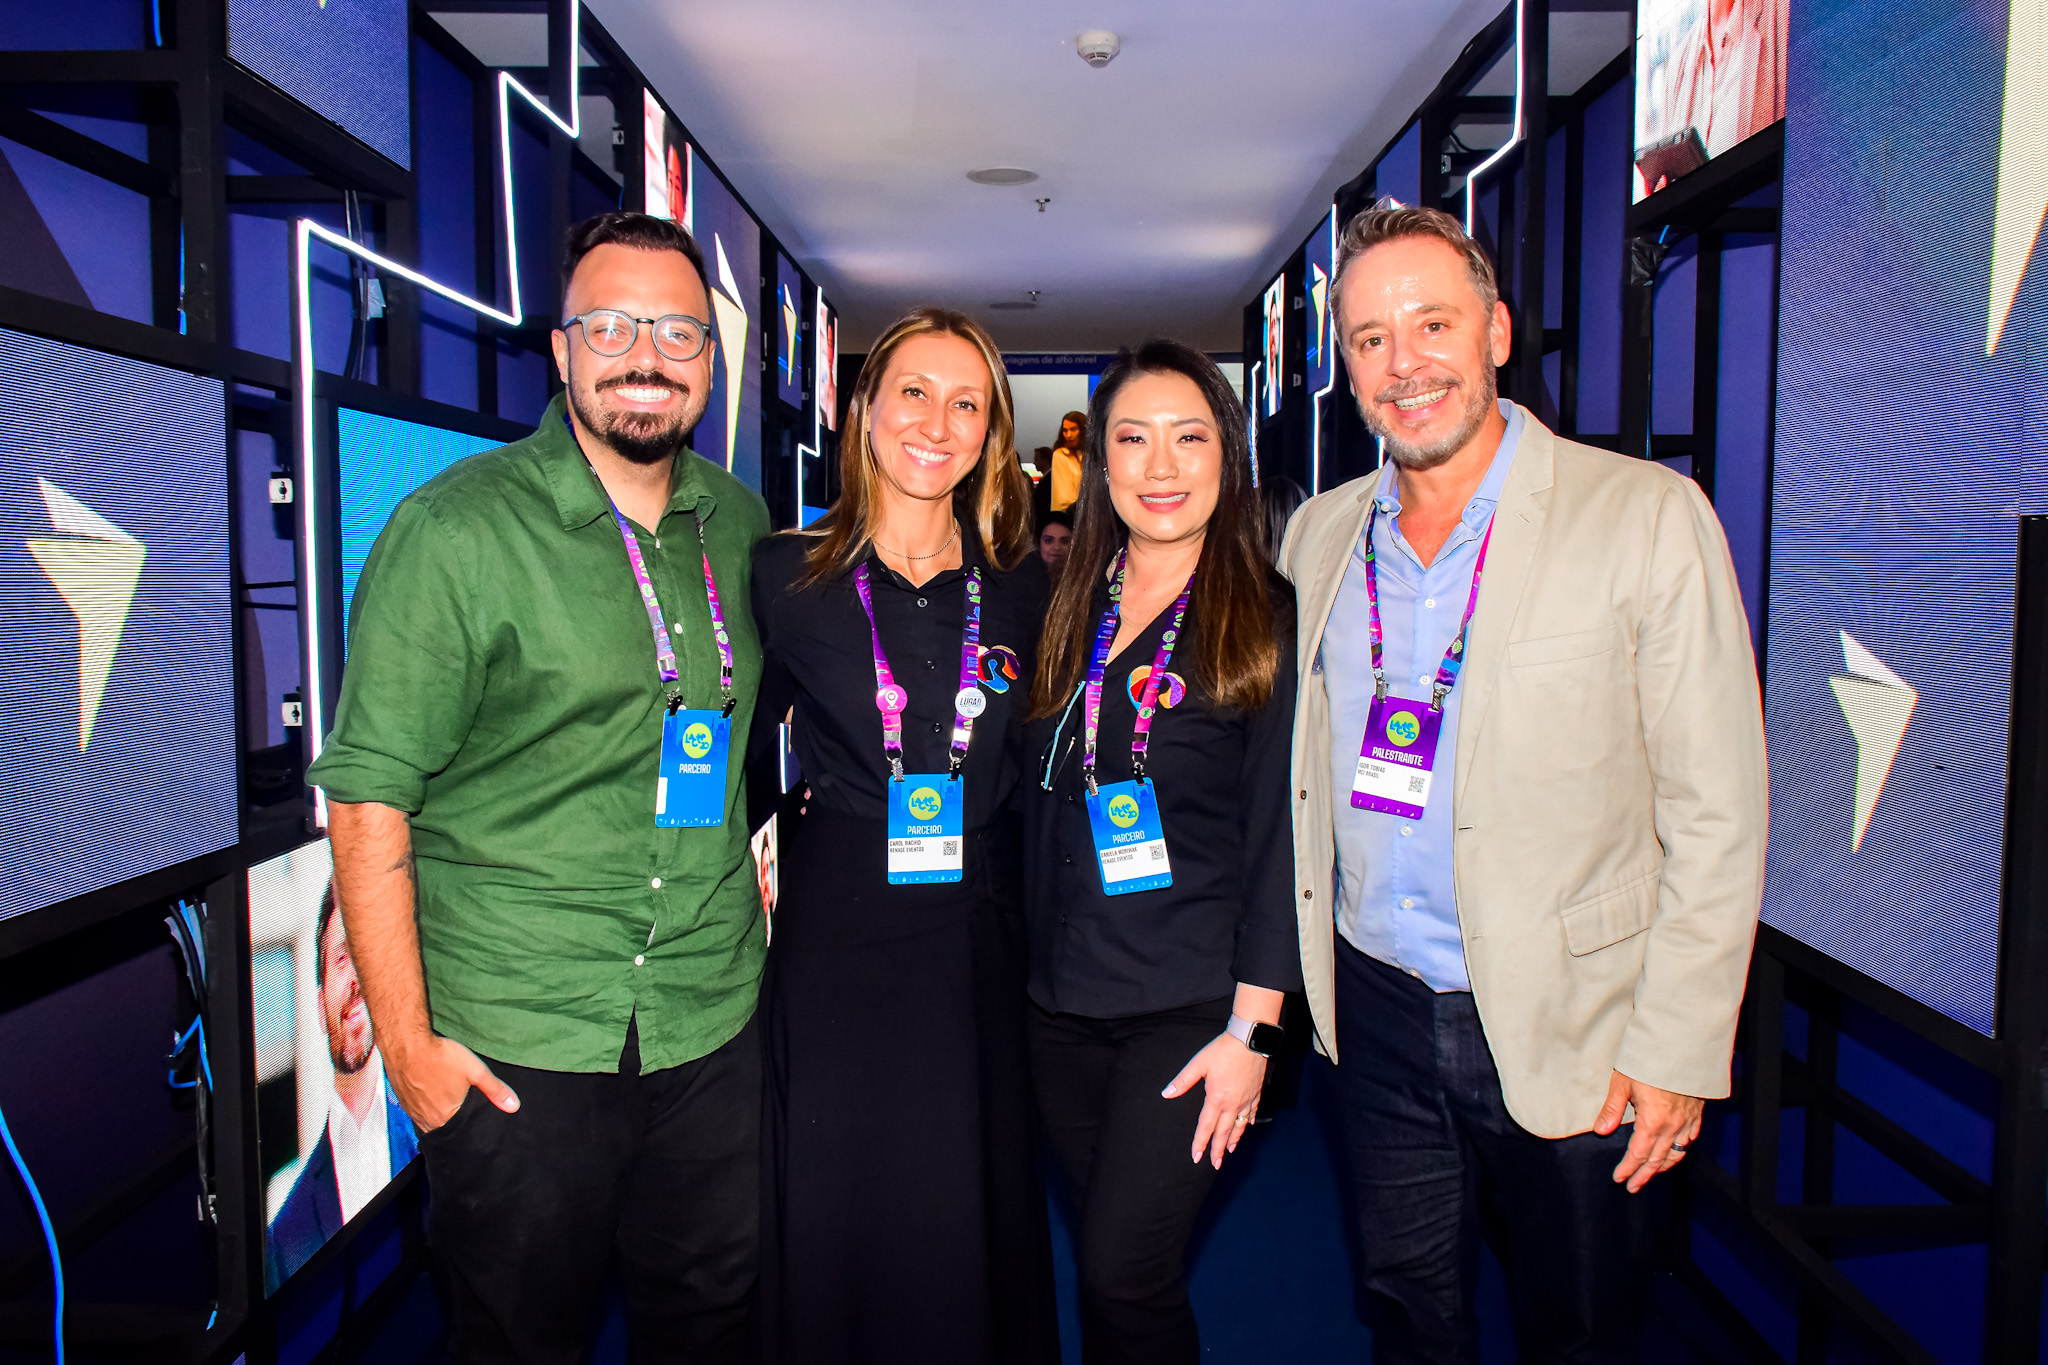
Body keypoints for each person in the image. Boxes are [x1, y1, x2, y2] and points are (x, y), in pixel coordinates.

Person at [1279, 203, 1766, 1363]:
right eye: (1369, 339)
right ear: (1346, 367)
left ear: (1495, 331)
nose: (1404, 364)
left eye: (1432, 324)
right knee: (1407, 1314)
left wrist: (1675, 1047)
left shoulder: (1643, 516)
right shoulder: (1316, 537)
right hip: (1374, 1002)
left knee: (1579, 1327)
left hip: (1577, 1018)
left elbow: (1717, 808)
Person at [309, 211, 771, 1364]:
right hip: (520, 1037)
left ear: (709, 363)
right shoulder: (454, 531)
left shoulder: (740, 524)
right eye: (609, 327)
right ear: (561, 351)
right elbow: (366, 801)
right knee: (518, 1342)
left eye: (676, 331)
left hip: (709, 1019)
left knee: (710, 1325)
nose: (645, 356)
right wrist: (408, 1050)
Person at [749, 307, 1058, 1365]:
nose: (937, 422)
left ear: (991, 432)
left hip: (980, 934)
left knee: (967, 1195)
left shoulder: (1023, 585)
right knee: (841, 1203)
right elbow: (741, 758)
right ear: (864, 411)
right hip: (836, 935)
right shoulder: (783, 574)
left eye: (966, 403)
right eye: (914, 393)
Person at [1021, 340, 1300, 1363]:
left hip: (1190, 1010)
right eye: (1133, 440)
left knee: (1121, 1271)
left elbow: (1281, 839)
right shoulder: (1068, 602)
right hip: (1056, 1005)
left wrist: (1254, 1034)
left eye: (1190, 438)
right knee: (1113, 1269)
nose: (1161, 465)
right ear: (1101, 464)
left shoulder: (1264, 614)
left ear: (1227, 456)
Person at [264, 880, 420, 1293]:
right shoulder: (284, 1236)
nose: (354, 979)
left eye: (364, 957)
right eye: (340, 958)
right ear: (320, 1006)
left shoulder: (437, 1135)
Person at [1049, 409, 1088, 512]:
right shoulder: (1061, 455)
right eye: (1065, 430)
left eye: (1073, 429)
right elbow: (1062, 500)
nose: (1069, 435)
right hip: (1071, 515)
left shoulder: (1091, 455)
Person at [1038, 509, 1073, 577]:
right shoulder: (1023, 577)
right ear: (1038, 542)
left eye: (1064, 541)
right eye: (1048, 540)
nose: (1056, 547)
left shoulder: (1083, 578)